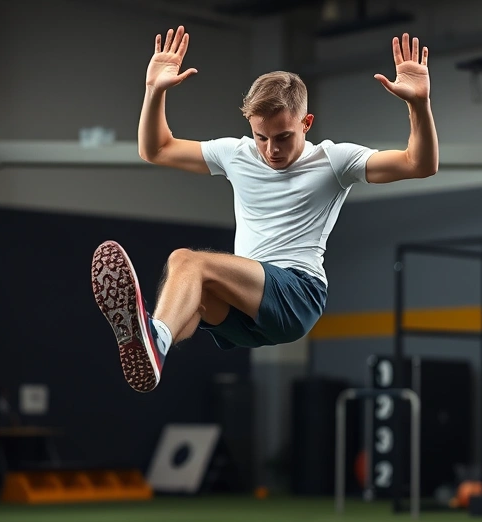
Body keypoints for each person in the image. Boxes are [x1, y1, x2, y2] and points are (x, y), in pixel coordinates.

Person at [92, 25, 438, 393]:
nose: (271, 149)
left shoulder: (335, 160)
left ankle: (155, 338)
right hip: (248, 310)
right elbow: (156, 149)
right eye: (262, 137)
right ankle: (155, 348)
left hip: (297, 295)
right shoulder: (236, 154)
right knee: (195, 292)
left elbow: (419, 164)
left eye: (284, 136)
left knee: (187, 261)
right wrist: (153, 91)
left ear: (306, 123)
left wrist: (418, 104)